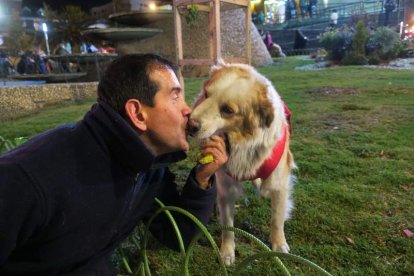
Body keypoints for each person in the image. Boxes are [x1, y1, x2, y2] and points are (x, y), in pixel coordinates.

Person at [0, 53, 228, 275]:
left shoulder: (147, 167)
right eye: (175, 97)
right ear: (138, 114)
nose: (188, 109)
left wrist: (201, 179)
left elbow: (177, 234)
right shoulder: (27, 177)